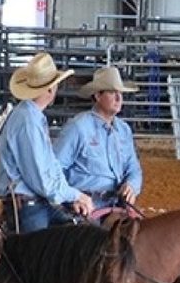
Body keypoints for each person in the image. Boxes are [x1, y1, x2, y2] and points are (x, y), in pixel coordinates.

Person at [0, 52, 92, 232]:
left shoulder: (31, 116)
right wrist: (74, 195)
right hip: (30, 206)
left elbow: (50, 168)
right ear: (50, 89)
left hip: (37, 202)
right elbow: (41, 178)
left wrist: (71, 196)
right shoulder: (28, 121)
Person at [54, 66, 144, 216]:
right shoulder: (78, 127)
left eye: (120, 92)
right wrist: (73, 197)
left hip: (117, 203)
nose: (118, 98)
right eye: (112, 92)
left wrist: (131, 185)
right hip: (87, 206)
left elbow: (133, 169)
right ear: (97, 96)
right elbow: (56, 168)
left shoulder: (123, 130)